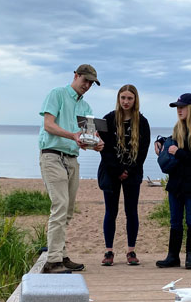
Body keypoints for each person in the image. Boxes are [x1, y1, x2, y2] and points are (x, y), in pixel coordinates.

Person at [39, 64, 104, 273]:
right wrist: (73, 136)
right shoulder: (56, 94)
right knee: (59, 205)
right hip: (52, 155)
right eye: (85, 80)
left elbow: (87, 137)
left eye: (91, 83)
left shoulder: (86, 108)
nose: (87, 85)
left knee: (67, 210)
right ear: (75, 76)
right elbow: (48, 125)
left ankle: (61, 255)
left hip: (72, 159)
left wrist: (97, 144)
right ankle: (52, 261)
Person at [155, 93, 191, 270]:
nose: (179, 110)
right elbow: (170, 142)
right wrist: (159, 142)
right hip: (176, 184)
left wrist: (177, 152)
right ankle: (172, 256)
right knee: (175, 221)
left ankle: (190, 257)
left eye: (182, 107)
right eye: (177, 107)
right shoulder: (178, 129)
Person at [97, 84, 151, 266]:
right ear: (118, 99)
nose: (126, 101)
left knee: (131, 211)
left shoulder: (142, 122)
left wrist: (129, 170)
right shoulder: (108, 119)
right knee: (111, 211)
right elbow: (104, 149)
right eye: (123, 98)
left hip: (133, 173)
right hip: (111, 173)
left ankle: (131, 251)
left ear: (135, 100)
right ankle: (109, 251)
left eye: (129, 98)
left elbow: (143, 152)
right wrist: (118, 170)